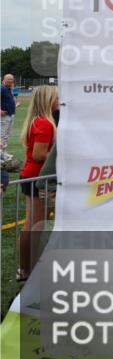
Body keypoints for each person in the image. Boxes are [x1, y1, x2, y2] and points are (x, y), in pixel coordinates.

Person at [17, 85, 58, 281]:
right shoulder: (45, 123)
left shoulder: (37, 121)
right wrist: (62, 155)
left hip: (32, 176)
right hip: (37, 178)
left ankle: (26, 269)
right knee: (35, 225)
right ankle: (27, 270)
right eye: (56, 98)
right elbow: (39, 154)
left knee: (32, 224)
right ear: (48, 100)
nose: (59, 101)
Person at [1, 74, 17, 164]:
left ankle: (3, 152)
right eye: (9, 79)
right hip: (4, 116)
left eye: (12, 79)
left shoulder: (8, 89)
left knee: (7, 135)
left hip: (10, 115)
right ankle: (0, 154)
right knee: (2, 135)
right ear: (4, 80)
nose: (11, 81)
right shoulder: (2, 88)